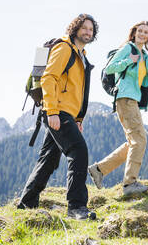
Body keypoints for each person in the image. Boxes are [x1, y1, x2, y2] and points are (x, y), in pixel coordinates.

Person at [17, 14, 98, 220]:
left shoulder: (81, 55)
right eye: (84, 28)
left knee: (48, 159)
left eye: (91, 29)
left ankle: (26, 203)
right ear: (75, 28)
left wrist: (78, 118)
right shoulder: (64, 48)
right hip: (57, 111)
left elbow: (77, 90)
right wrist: (52, 111)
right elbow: (49, 77)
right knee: (78, 150)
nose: (88, 32)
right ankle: (76, 207)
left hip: (66, 112)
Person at [88, 21, 148, 196]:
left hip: (132, 100)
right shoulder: (129, 48)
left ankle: (99, 169)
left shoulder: (145, 56)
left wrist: (146, 67)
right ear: (134, 33)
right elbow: (109, 68)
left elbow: (141, 82)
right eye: (140, 31)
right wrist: (128, 61)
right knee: (140, 140)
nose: (142, 34)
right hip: (125, 99)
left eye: (146, 32)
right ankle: (129, 184)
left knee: (134, 142)